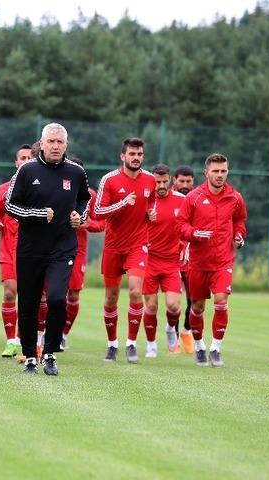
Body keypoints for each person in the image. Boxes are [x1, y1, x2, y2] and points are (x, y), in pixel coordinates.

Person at [5, 123, 91, 376]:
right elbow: (11, 205)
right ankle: (30, 355)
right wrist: (38, 214)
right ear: (41, 143)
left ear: (66, 145)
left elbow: (84, 199)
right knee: (29, 305)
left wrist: (79, 215)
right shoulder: (27, 170)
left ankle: (50, 353)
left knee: (56, 298)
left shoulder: (76, 172)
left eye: (60, 142)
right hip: (30, 249)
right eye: (51, 141)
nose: (55, 146)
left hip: (63, 248)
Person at [177, 153, 247, 367]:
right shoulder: (194, 197)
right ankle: (199, 346)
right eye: (215, 171)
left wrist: (239, 234)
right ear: (206, 172)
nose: (219, 175)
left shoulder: (235, 198)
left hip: (223, 261)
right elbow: (181, 225)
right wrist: (194, 234)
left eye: (223, 171)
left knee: (221, 302)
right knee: (197, 308)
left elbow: (240, 220)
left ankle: (216, 348)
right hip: (198, 262)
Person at [92, 137, 157, 363]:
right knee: (111, 297)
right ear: (123, 156)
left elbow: (151, 204)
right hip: (113, 246)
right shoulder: (109, 180)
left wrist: (151, 213)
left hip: (138, 245)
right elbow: (98, 212)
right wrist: (122, 203)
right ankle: (112, 345)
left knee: (136, 292)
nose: (136, 158)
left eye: (139, 154)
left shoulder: (150, 180)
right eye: (132, 154)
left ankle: (131, 343)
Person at [0, 145, 32, 357]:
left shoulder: (39, 186)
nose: (25, 160)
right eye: (21, 158)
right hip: (9, 249)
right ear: (16, 163)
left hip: (32, 250)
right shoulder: (5, 188)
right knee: (9, 292)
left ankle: (27, 343)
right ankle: (10, 341)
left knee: (29, 297)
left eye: (29, 157)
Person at [142, 163, 187, 358]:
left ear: (170, 180)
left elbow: (189, 225)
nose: (160, 185)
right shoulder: (145, 201)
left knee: (173, 306)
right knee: (151, 306)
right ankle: (151, 344)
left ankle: (170, 329)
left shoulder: (182, 200)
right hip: (149, 260)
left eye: (164, 181)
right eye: (157, 181)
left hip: (171, 262)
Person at [60, 185, 104, 351]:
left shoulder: (90, 195)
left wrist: (86, 224)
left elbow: (101, 223)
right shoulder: (56, 188)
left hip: (78, 251)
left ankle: (63, 334)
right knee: (55, 294)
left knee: (73, 294)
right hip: (55, 249)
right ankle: (47, 332)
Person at [172, 165, 196, 354]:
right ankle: (172, 335)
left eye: (188, 181)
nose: (185, 185)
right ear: (175, 181)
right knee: (172, 303)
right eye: (182, 181)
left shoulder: (197, 200)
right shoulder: (166, 198)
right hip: (168, 258)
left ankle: (186, 331)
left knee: (193, 299)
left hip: (189, 259)